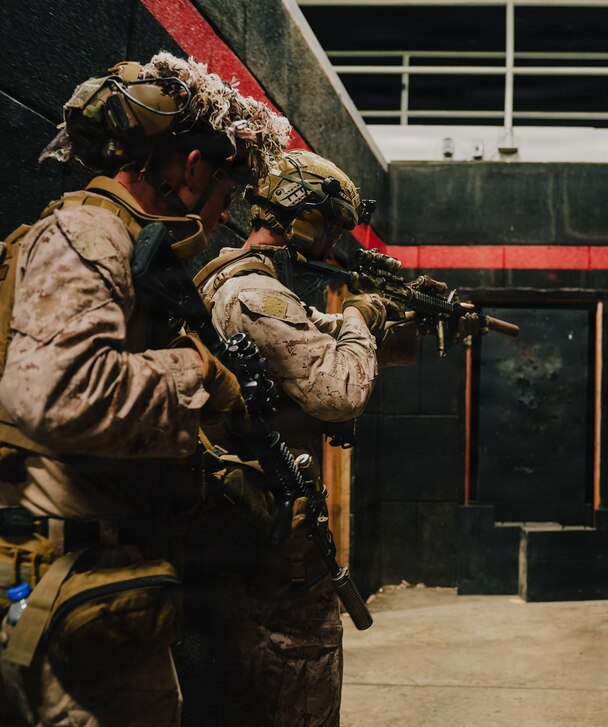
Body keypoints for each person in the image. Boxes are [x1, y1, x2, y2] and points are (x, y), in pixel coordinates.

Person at [0, 53, 288, 727]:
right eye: (224, 186)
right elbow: (58, 393)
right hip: (57, 583)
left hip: (99, 578)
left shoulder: (124, 242)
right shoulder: (90, 233)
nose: (226, 212)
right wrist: (199, 374)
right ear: (190, 167)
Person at [181, 149, 386, 727]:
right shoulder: (256, 293)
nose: (331, 245)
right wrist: (359, 321)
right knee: (298, 677)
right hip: (263, 537)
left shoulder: (224, 276)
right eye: (331, 229)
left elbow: (294, 332)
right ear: (303, 219)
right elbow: (339, 391)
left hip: (234, 526)